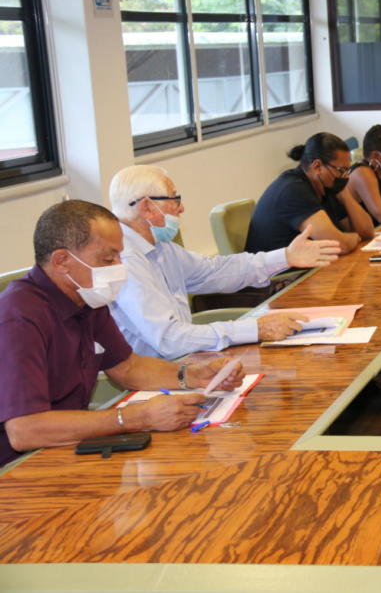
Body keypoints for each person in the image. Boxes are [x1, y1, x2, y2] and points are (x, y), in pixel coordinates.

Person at [0, 200, 244, 468]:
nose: (119, 266)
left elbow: (128, 367)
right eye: (108, 259)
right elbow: (25, 430)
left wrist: (193, 375)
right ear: (62, 261)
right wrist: (135, 418)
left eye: (119, 256)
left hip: (68, 446)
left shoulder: (86, 298)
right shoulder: (18, 317)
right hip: (18, 467)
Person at [108, 165, 342, 360]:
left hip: (184, 362)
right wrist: (255, 329)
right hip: (155, 378)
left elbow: (214, 271)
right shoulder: (125, 260)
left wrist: (285, 256)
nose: (181, 208)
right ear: (147, 207)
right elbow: (170, 339)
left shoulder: (161, 248)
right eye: (174, 199)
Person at [246, 132, 364, 254]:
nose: (345, 177)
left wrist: (344, 194)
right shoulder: (293, 190)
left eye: (347, 170)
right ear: (317, 166)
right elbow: (340, 245)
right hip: (279, 266)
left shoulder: (326, 185)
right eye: (341, 170)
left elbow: (366, 231)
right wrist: (353, 237)